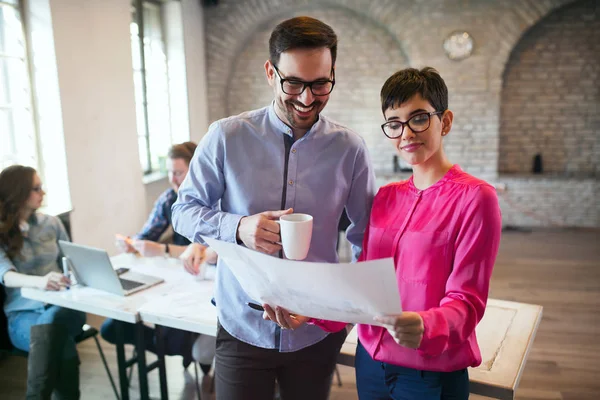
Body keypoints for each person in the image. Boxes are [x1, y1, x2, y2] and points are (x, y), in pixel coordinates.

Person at [172, 16, 375, 400]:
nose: (306, 98)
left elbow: (367, 238)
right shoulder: (225, 136)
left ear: (333, 73)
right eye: (293, 82)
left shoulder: (350, 149)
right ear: (270, 72)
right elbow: (183, 211)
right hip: (241, 325)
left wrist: (351, 311)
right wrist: (238, 227)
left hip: (316, 331)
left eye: (320, 84)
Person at [354, 67, 503, 399]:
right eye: (394, 124)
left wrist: (426, 325)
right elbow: (365, 283)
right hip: (370, 362)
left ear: (445, 121)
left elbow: (468, 300)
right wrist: (313, 309)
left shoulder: (476, 198)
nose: (406, 133)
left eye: (418, 118)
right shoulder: (385, 198)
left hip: (429, 373)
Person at [104, 141, 217, 378]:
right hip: (177, 279)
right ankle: (180, 346)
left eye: (178, 172)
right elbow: (146, 235)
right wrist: (130, 243)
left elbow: (210, 253)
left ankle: (190, 349)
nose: (172, 179)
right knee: (116, 326)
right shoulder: (169, 199)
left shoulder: (214, 200)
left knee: (176, 334)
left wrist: (164, 250)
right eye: (169, 172)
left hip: (205, 282)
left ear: (195, 170)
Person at [0, 165, 87, 399]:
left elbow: (72, 262)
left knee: (52, 324)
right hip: (22, 316)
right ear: (17, 193)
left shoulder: (51, 223)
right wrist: (41, 282)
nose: (43, 193)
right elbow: (6, 276)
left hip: (65, 308)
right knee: (60, 342)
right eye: (36, 188)